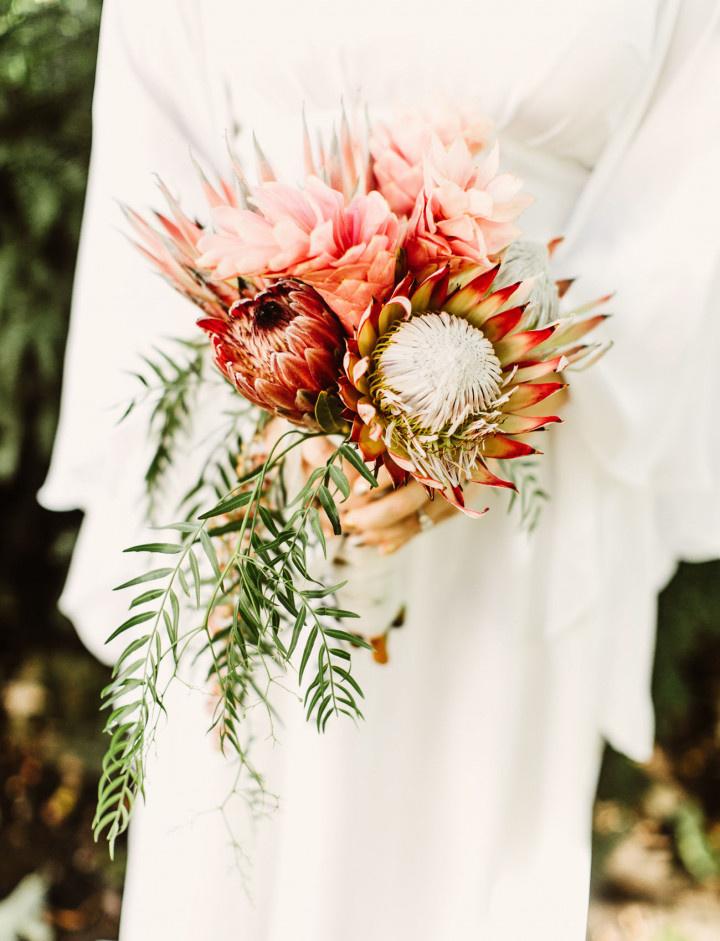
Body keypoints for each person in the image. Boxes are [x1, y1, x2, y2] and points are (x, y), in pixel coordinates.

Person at [40, 1, 720, 938]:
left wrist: (490, 401)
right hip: (248, 465)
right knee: (234, 842)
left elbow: (687, 209)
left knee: (458, 854)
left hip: (524, 464)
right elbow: (150, 154)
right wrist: (270, 397)